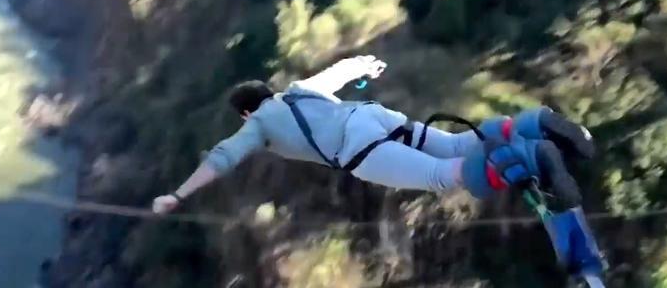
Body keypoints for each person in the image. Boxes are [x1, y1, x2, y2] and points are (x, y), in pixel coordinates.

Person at [152, 55, 594, 215]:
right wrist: (367, 65)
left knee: (447, 174)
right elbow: (340, 71)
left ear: (246, 112)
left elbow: (223, 158)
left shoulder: (258, 125)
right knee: (459, 143)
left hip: (360, 148)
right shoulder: (298, 92)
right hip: (371, 115)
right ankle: (537, 123)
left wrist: (178, 194)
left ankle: (536, 158)